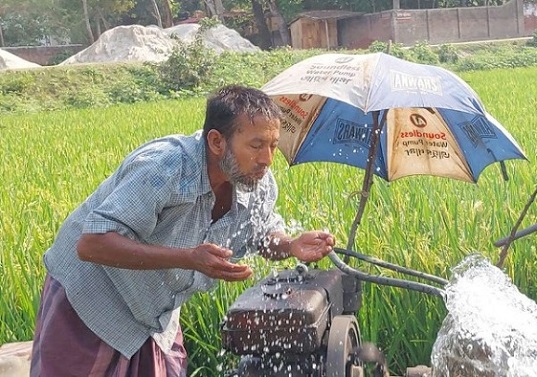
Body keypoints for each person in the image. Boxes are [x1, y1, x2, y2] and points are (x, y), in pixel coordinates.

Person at [29, 85, 336, 376]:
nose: (267, 159)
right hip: (93, 298)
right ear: (217, 142)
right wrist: (189, 258)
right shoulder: (165, 168)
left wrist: (290, 244)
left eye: (272, 145)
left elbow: (262, 234)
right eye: (256, 146)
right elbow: (92, 244)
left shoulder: (255, 181)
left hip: (153, 310)